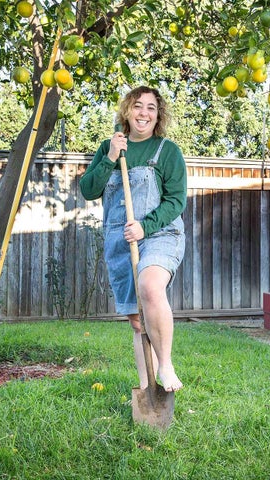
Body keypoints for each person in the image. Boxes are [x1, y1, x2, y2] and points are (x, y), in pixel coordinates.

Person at [79, 86, 187, 392]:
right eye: (138, 106)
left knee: (150, 286)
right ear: (127, 111)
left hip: (160, 234)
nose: (144, 113)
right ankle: (146, 389)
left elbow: (176, 201)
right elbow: (88, 190)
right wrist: (111, 156)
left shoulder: (167, 151)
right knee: (138, 322)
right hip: (120, 239)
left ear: (158, 115)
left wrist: (145, 225)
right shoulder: (110, 147)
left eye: (151, 108)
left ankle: (165, 366)